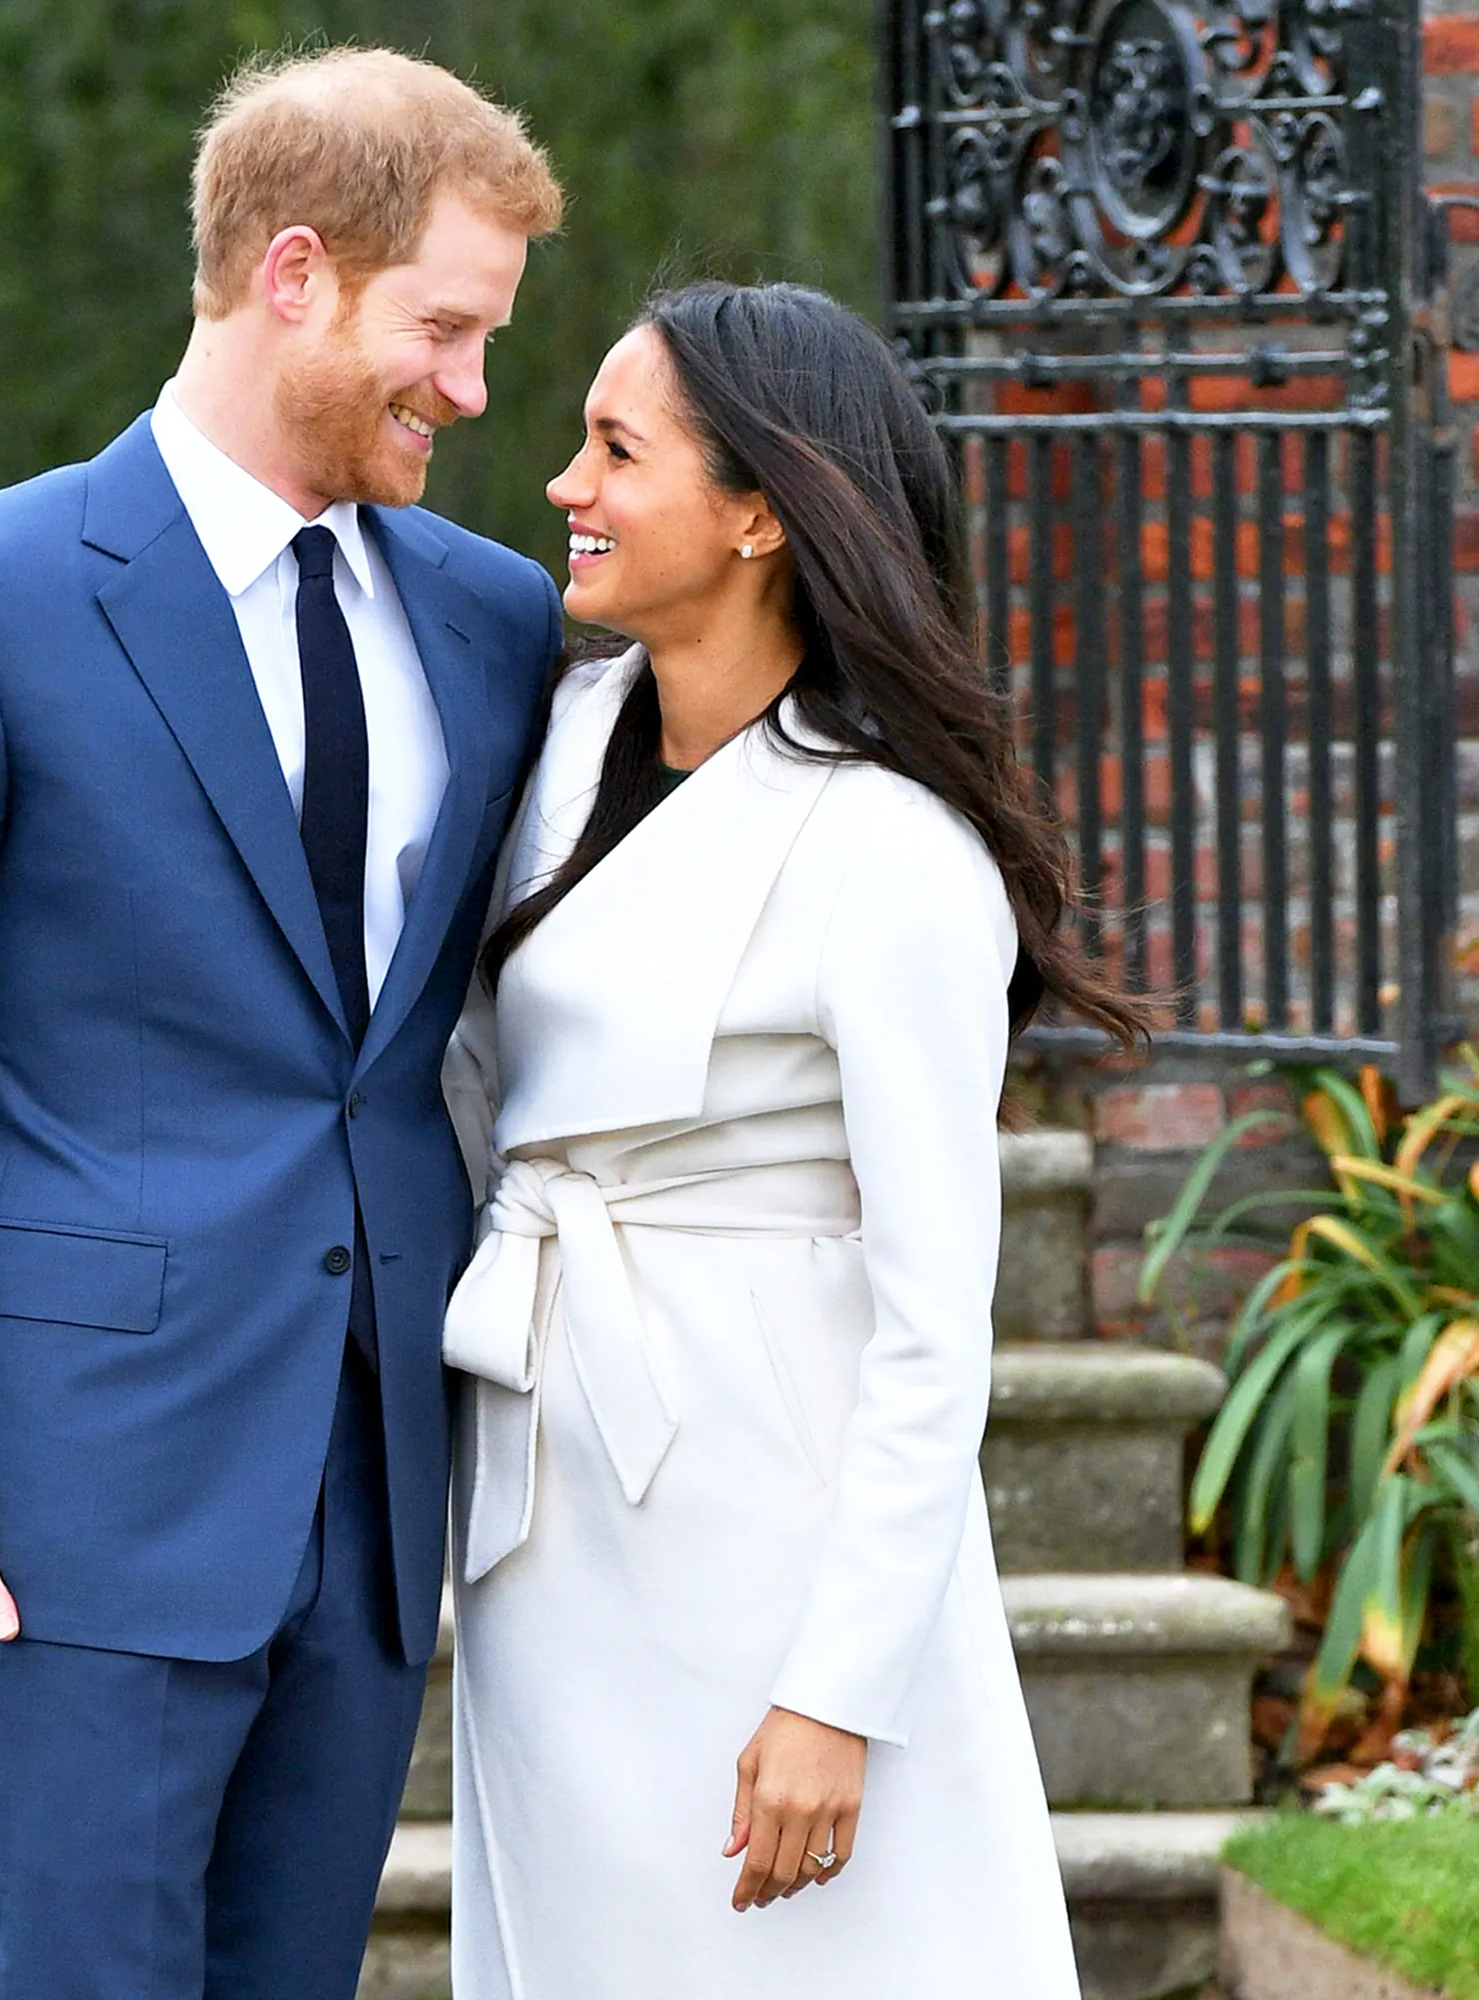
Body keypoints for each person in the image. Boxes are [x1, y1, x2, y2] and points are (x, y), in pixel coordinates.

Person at [0, 48, 562, 2000]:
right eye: (442, 329)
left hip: (381, 1475)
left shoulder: (495, 619)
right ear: (294, 274)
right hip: (85, 1489)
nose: (470, 389)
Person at [440, 282, 1154, 1997]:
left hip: (777, 1519)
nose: (565, 485)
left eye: (617, 450)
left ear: (761, 512)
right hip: (547, 1489)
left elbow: (933, 1324)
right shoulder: (557, 738)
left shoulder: (892, 851)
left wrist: (839, 1691)